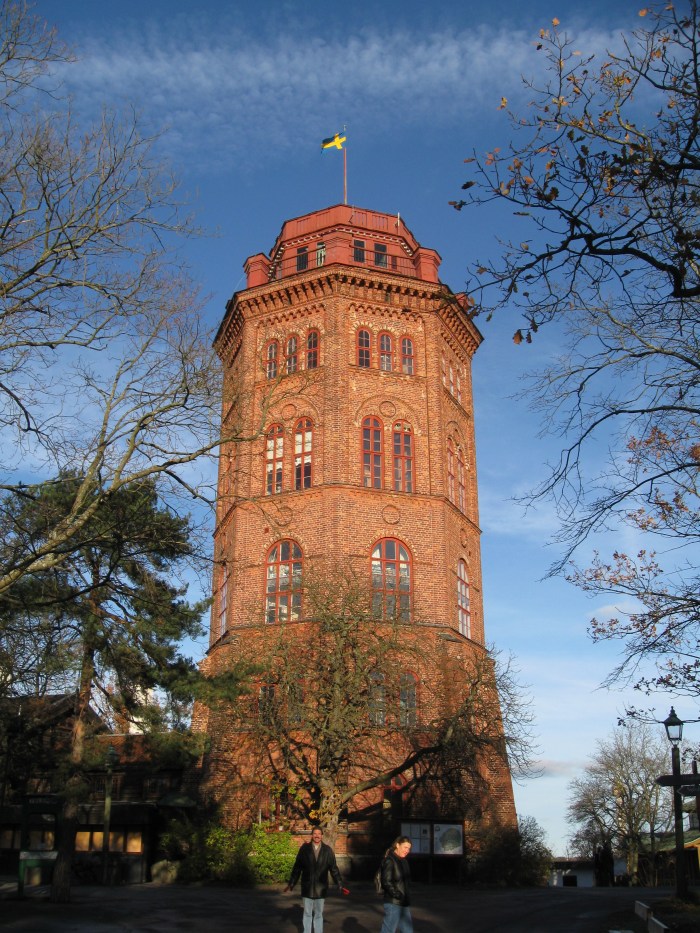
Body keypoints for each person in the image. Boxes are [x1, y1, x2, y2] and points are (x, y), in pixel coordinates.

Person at [285, 826, 344, 933]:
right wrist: (292, 883)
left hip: (321, 887)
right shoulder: (304, 849)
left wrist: (339, 883)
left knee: (318, 914)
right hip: (307, 886)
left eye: (319, 834)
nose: (317, 836)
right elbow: (297, 867)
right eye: (315, 833)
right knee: (307, 913)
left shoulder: (327, 850)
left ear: (322, 836)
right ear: (312, 835)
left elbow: (334, 869)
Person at [379, 836, 413, 933]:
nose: (407, 851)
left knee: (408, 930)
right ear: (397, 845)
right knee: (388, 930)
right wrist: (397, 894)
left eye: (409, 848)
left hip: (404, 902)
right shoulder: (390, 860)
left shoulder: (404, 861)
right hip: (393, 902)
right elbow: (386, 881)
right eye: (405, 847)